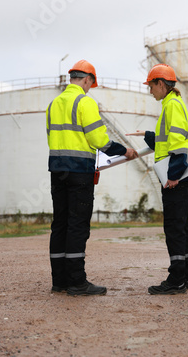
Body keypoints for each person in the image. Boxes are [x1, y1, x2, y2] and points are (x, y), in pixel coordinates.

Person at [46, 59, 138, 296]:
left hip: (57, 170)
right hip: (79, 172)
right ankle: (77, 282)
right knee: (77, 226)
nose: (89, 88)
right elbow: (99, 139)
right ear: (87, 80)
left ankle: (60, 281)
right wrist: (123, 151)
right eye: (90, 84)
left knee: (60, 224)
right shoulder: (84, 102)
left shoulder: (53, 104)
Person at [127, 63, 188, 295]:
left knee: (174, 228)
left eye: (151, 86)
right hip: (178, 176)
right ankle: (187, 276)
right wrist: (149, 135)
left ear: (161, 84)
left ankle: (176, 279)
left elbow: (178, 144)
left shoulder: (172, 106)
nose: (149, 91)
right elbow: (168, 139)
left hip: (175, 178)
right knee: (181, 227)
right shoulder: (172, 105)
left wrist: (173, 176)